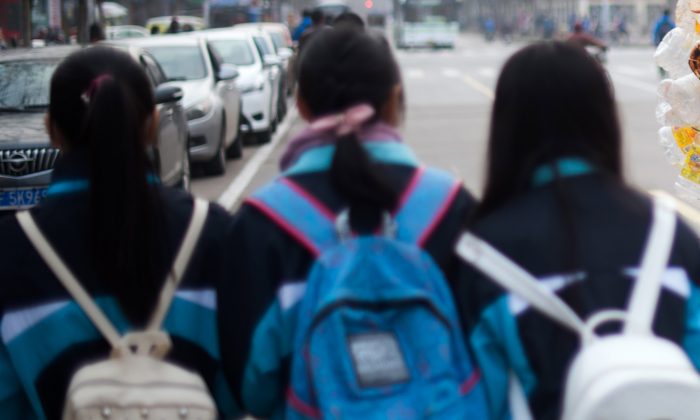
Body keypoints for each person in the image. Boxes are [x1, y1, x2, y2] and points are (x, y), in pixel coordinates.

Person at [220, 28, 480, 418]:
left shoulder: (261, 222)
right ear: (395, 99)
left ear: (302, 105)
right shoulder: (452, 207)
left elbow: (249, 386)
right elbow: (484, 354)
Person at [455, 42, 700, 420]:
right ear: (605, 120)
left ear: (506, 127)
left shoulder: (482, 255)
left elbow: (474, 401)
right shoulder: (672, 237)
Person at [0, 47, 239, 418]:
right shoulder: (213, 233)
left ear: (51, 130)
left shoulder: (12, 251)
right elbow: (247, 384)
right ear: (152, 123)